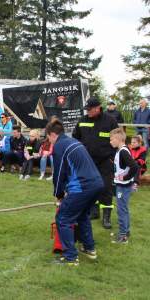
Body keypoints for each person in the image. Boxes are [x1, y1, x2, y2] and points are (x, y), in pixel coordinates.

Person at [47, 120, 104, 265]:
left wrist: (59, 195)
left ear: (53, 134)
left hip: (82, 187)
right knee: (82, 215)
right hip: (97, 184)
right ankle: (89, 248)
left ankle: (70, 257)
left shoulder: (59, 146)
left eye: (48, 138)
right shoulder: (74, 142)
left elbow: (59, 174)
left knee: (63, 218)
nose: (49, 141)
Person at [73, 97, 118, 229]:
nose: (87, 112)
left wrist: (113, 157)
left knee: (106, 188)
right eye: (86, 109)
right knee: (91, 187)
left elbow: (118, 139)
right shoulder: (82, 120)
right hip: (87, 161)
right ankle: (94, 211)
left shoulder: (110, 121)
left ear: (98, 108)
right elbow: (76, 138)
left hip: (105, 161)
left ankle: (106, 216)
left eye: (90, 109)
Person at [110, 128, 139, 244]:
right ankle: (126, 231)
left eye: (111, 139)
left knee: (121, 210)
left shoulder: (123, 151)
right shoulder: (122, 150)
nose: (110, 142)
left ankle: (123, 236)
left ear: (118, 139)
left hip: (123, 185)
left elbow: (135, 167)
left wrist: (125, 178)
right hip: (123, 184)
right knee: (124, 208)